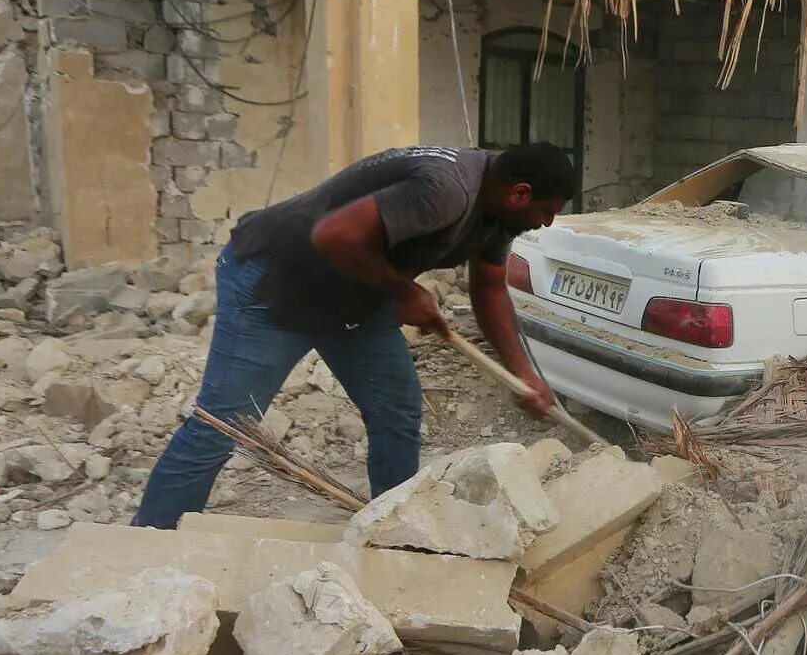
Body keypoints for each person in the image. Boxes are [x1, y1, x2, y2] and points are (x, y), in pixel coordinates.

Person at [131, 142, 576, 528]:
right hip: (275, 280)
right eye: (547, 212)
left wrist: (525, 376)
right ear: (521, 194)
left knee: (396, 412)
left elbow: (488, 287)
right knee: (223, 424)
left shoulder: (499, 214)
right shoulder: (446, 189)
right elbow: (334, 234)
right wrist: (404, 290)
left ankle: (394, 529)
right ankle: (148, 540)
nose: (548, 224)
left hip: (353, 294)